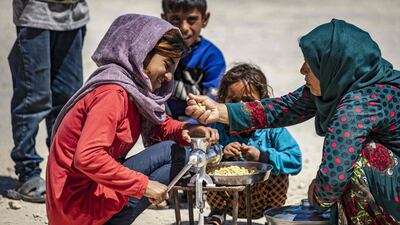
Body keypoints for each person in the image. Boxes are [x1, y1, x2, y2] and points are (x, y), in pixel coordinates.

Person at [186, 19, 400, 224]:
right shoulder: (341, 81)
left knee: (357, 162)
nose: (302, 70)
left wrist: (317, 195)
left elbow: (334, 178)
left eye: (310, 64)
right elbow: (282, 108)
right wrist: (221, 111)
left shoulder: (359, 105)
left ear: (333, 65)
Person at [46, 14, 218, 225]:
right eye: (166, 64)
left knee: (179, 152)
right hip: (76, 207)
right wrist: (143, 185)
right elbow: (88, 157)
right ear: (141, 53)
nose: (169, 76)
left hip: (84, 198)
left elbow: (158, 127)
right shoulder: (112, 94)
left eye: (174, 68)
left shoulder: (133, 90)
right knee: (173, 153)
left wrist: (189, 130)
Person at [7, 0, 89, 203]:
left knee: (70, 100)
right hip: (36, 14)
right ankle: (28, 173)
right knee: (33, 98)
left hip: (74, 14)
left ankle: (62, 171)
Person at [205, 63, 302, 224]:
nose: (240, 107)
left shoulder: (272, 129)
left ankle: (273, 217)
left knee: (278, 170)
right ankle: (217, 214)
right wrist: (221, 152)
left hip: (261, 199)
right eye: (233, 100)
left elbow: (295, 160)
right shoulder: (217, 128)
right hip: (227, 198)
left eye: (248, 100)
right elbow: (200, 157)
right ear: (223, 101)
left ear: (262, 102)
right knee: (208, 168)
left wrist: (262, 156)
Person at [161, 0, 226, 122]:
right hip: (161, 127)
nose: (184, 28)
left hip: (200, 130)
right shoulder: (158, 52)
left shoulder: (212, 58)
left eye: (191, 20)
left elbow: (212, 103)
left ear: (205, 19)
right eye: (175, 19)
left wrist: (188, 128)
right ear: (164, 19)